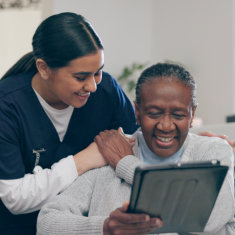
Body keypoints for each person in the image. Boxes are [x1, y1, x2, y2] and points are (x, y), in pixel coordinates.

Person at [37, 62, 235, 235]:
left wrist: (127, 164)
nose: (166, 125)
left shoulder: (213, 153)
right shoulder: (109, 152)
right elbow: (47, 223)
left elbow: (209, 219)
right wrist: (105, 228)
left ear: (192, 115)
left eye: (178, 115)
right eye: (154, 113)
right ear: (137, 112)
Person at [0, 12, 137, 235]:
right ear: (44, 68)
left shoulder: (107, 91)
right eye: (81, 77)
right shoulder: (7, 106)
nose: (93, 86)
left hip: (86, 223)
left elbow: (137, 146)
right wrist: (83, 161)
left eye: (98, 72)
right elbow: (16, 197)